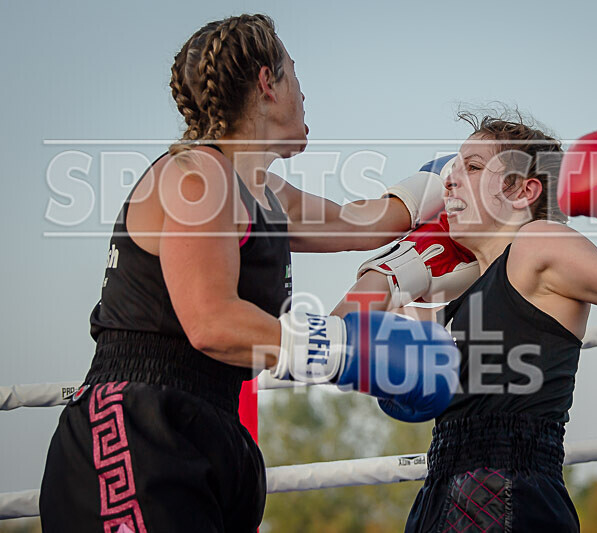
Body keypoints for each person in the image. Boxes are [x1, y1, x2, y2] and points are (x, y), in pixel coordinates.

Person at [38, 14, 459, 533]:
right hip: (139, 426)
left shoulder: (264, 190)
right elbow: (211, 322)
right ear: (268, 83)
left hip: (211, 425)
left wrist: (450, 176)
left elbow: (369, 222)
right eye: (295, 75)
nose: (305, 94)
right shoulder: (196, 175)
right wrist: (349, 350)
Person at [334, 112, 597, 531]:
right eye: (452, 168)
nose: (449, 181)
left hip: (511, 495)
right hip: (442, 496)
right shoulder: (459, 295)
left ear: (522, 190)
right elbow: (340, 337)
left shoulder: (536, 244)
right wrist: (398, 269)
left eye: (473, 167)